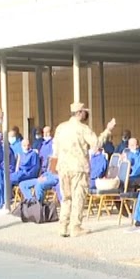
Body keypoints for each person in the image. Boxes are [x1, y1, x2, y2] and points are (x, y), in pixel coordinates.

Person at [52, 102, 116, 239]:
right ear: (79, 113)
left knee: (66, 197)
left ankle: (63, 226)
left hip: (63, 167)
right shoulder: (83, 129)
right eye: (84, 112)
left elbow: (55, 150)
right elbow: (96, 144)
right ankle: (75, 227)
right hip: (78, 167)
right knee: (78, 196)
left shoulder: (60, 128)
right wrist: (108, 130)